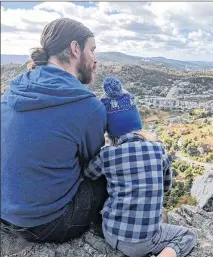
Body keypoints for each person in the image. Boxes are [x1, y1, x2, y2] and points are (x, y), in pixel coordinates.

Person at [0, 18, 108, 243]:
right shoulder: (87, 106)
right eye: (93, 50)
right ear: (75, 48)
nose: (96, 59)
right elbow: (93, 166)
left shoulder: (15, 88)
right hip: (45, 224)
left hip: (4, 213)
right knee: (116, 172)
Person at [84, 77, 197, 257]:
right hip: (144, 243)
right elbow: (167, 187)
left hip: (111, 234)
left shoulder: (108, 155)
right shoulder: (158, 149)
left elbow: (88, 173)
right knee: (188, 235)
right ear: (137, 122)